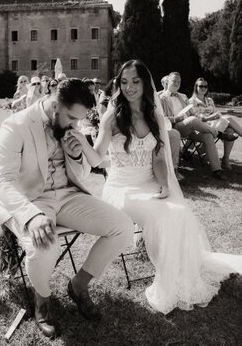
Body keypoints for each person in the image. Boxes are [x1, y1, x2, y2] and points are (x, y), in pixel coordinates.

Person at [69, 60, 242, 315]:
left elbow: (159, 158)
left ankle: (178, 275)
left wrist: (163, 184)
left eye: (135, 81)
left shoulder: (153, 114)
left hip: (150, 183)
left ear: (145, 83)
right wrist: (81, 142)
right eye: (124, 82)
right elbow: (96, 159)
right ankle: (166, 281)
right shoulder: (113, 116)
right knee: (163, 215)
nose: (129, 87)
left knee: (177, 210)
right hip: (121, 187)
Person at [0, 78, 134, 338]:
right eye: (71, 118)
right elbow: (2, 181)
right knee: (44, 244)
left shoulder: (69, 126)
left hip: (68, 195)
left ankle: (78, 285)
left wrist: (77, 155)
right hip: (33, 200)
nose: (75, 126)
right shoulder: (16, 126)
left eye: (78, 120)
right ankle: (42, 301)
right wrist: (31, 216)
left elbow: (79, 173)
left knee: (123, 227)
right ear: (55, 103)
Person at [160, 72, 238, 179]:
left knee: (208, 135)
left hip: (190, 128)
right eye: (174, 81)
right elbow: (161, 118)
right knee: (192, 120)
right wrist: (175, 119)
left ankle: (217, 170)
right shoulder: (161, 98)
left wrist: (203, 118)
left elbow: (193, 113)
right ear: (167, 82)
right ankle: (220, 134)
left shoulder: (183, 96)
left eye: (179, 81)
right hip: (175, 128)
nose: (177, 83)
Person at [189, 78, 241, 170]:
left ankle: (225, 159)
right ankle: (206, 150)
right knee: (228, 118)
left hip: (215, 125)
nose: (203, 88)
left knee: (230, 130)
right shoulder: (191, 101)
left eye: (205, 86)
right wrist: (212, 117)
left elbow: (217, 113)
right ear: (196, 87)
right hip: (202, 128)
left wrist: (215, 116)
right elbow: (197, 119)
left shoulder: (209, 100)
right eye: (201, 86)